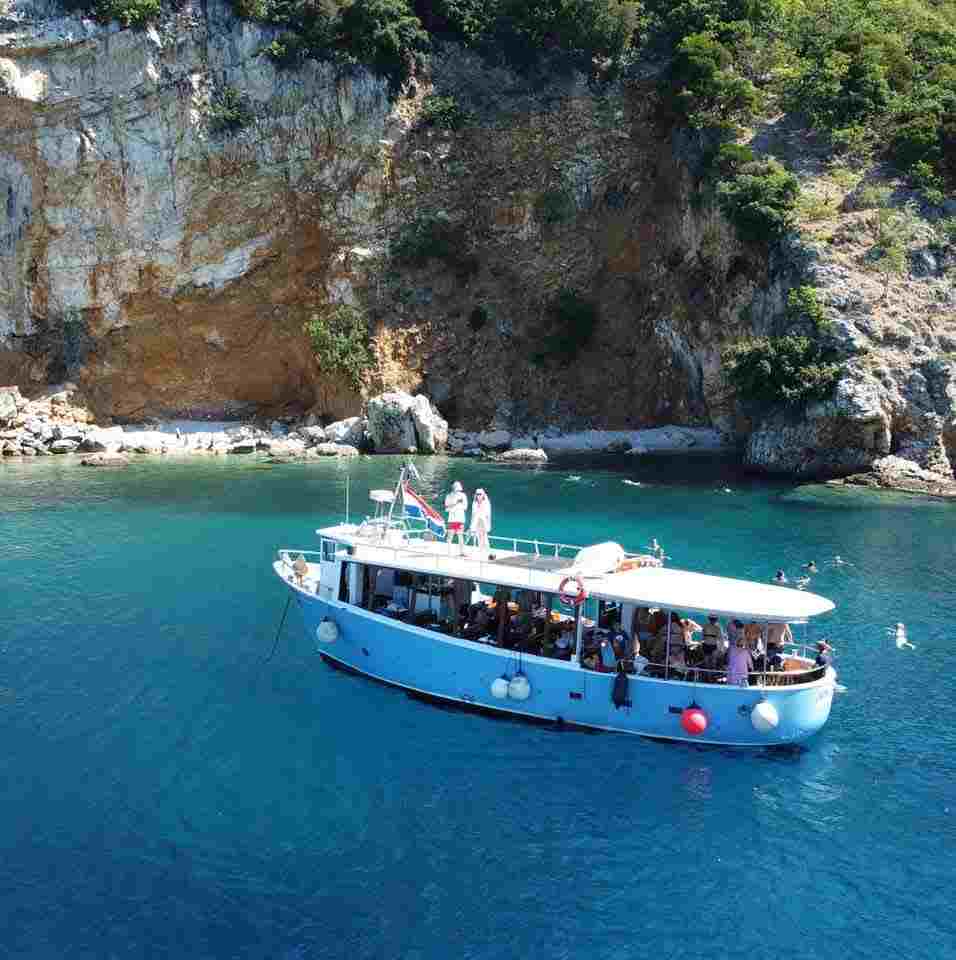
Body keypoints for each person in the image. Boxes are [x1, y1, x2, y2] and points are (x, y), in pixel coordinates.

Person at [444, 481, 468, 554]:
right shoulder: (449, 496)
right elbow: (446, 508)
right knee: (450, 536)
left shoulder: (463, 496)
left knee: (460, 536)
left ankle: (462, 552)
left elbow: (465, 507)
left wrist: (456, 506)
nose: (457, 490)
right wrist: (455, 504)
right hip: (452, 519)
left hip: (460, 519)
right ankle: (449, 552)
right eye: (455, 488)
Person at [470, 487, 492, 553]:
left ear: (483, 495)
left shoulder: (486, 503)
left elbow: (488, 514)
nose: (478, 495)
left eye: (480, 494)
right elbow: (473, 514)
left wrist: (488, 524)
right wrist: (471, 524)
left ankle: (487, 549)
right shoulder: (474, 503)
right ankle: (480, 548)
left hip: (483, 521)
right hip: (477, 521)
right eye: (477, 494)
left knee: (484, 535)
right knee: (478, 535)